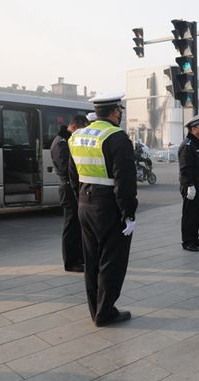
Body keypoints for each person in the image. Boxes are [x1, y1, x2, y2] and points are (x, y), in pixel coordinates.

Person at [68, 93, 137, 327]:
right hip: (108, 206)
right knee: (112, 261)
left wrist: (81, 199)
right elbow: (124, 182)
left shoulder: (77, 136)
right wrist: (128, 213)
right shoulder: (117, 137)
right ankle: (105, 312)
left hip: (85, 203)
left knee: (92, 260)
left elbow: (72, 175)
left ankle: (95, 309)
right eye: (120, 111)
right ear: (115, 112)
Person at [50, 115, 89, 272]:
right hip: (68, 187)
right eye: (82, 129)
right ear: (74, 127)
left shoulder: (68, 141)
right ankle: (70, 262)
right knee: (71, 226)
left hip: (74, 186)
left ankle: (79, 258)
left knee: (78, 226)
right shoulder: (61, 143)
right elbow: (66, 168)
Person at [179, 115, 199, 251]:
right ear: (193, 129)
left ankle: (194, 237)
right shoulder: (187, 145)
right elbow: (185, 168)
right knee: (189, 214)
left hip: (198, 184)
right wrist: (189, 185)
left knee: (196, 213)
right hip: (189, 185)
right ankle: (187, 241)